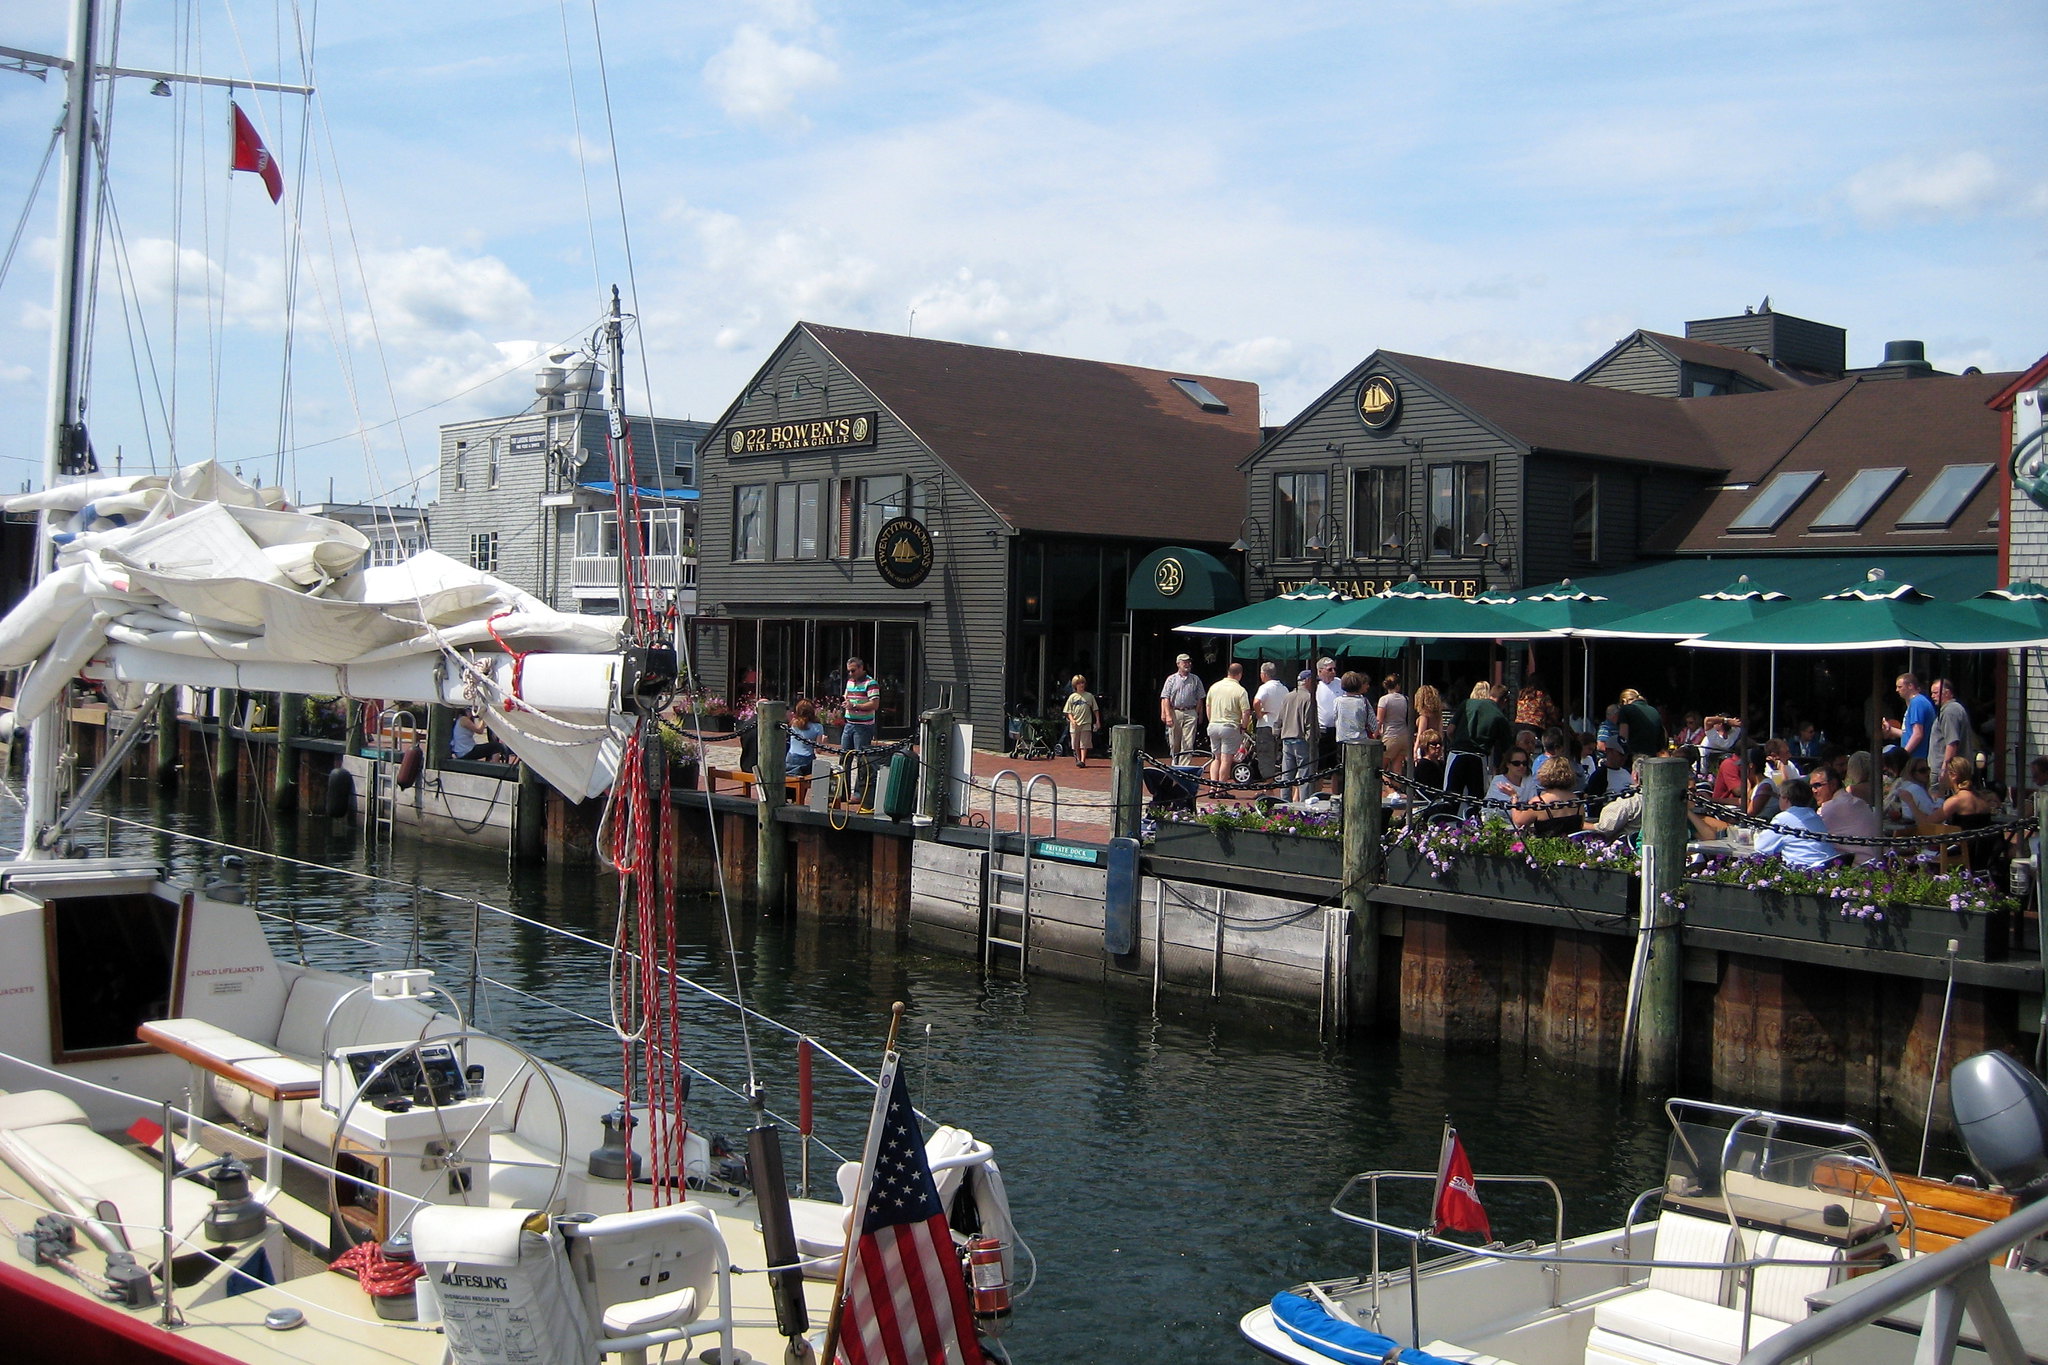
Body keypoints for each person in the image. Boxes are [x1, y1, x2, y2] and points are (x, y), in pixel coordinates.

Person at [1755, 778, 1841, 870]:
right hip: (1827, 866)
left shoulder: (1783, 818)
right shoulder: (1814, 816)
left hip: (1805, 871)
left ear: (1785, 798)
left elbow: (1761, 848)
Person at [1448, 680, 1512, 801]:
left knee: (1451, 799)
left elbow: (1450, 731)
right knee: (1475, 801)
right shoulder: (1500, 717)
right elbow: (1506, 751)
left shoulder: (1467, 703)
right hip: (1478, 758)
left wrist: (1457, 743)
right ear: (1505, 701)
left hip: (1455, 755)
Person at [1811, 764, 1880, 864]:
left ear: (1833, 784)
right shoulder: (1859, 802)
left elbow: (1812, 842)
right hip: (1880, 862)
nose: (1814, 791)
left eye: (1817, 785)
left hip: (1859, 868)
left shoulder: (1827, 809)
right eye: (1811, 787)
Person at [1274, 670, 1318, 802]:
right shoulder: (1309, 698)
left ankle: (1284, 804)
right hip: (1301, 739)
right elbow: (1310, 722)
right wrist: (1311, 740)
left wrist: (1277, 734)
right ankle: (1305, 805)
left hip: (1286, 738)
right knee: (1305, 775)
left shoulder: (1288, 696)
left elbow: (1278, 719)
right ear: (1308, 681)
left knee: (1287, 776)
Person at [1205, 661, 1252, 786]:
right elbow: (1246, 712)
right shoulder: (1240, 690)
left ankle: (1212, 787)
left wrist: (1211, 720)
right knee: (1226, 759)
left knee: (1216, 758)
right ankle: (1221, 788)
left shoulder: (1214, 687)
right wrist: (1244, 727)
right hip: (1229, 726)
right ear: (1240, 674)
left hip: (1213, 725)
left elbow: (1208, 706)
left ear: (1228, 672)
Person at [1511, 757, 1583, 836]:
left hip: (1547, 847)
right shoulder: (1577, 800)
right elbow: (1581, 824)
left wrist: (1514, 797)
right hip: (1574, 846)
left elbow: (1519, 822)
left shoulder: (1539, 802)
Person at [1929, 679, 1972, 793]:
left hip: (1944, 771)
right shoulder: (1955, 709)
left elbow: (1952, 742)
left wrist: (1945, 768)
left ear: (1947, 692)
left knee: (1938, 806)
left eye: (1935, 693)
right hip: (1951, 770)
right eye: (1932, 693)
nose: (1932, 696)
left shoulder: (1949, 712)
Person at [1159, 654, 1204, 761]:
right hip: (1175, 712)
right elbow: (1165, 698)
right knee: (1174, 741)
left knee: (1188, 742)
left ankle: (1184, 767)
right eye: (1184, 662)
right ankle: (1175, 764)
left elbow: (1200, 698)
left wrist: (1197, 713)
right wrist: (1167, 714)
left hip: (1190, 711)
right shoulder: (1171, 679)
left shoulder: (1195, 679)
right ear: (1178, 664)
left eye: (1189, 662)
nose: (1187, 664)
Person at [1882, 673, 1935, 762]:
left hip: (1917, 758)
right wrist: (1890, 729)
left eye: (1900, 687)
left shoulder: (1917, 702)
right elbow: (1908, 733)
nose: (1897, 690)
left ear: (1910, 686)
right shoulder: (1914, 703)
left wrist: (1904, 755)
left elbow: (1918, 734)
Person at [1251, 661, 1289, 781]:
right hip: (1279, 726)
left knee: (1265, 756)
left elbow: (1256, 702)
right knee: (1276, 756)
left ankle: (1268, 787)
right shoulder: (1284, 689)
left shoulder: (1265, 687)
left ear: (1264, 674)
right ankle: (1271, 784)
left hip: (1266, 725)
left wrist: (1259, 714)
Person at [1884, 755, 1942, 828]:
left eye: (1928, 769)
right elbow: (1933, 814)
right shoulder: (1916, 789)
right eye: (1922, 770)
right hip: (1919, 830)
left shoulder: (1905, 785)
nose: (1927, 773)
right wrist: (1941, 793)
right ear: (1912, 773)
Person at [1312, 658, 1343, 790]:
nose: (1333, 672)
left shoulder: (1340, 683)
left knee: (1337, 767)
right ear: (1320, 671)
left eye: (1334, 669)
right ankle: (1317, 796)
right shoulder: (1315, 686)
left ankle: (1336, 796)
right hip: (1322, 731)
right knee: (1319, 767)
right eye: (1330, 669)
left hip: (1338, 730)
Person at [840, 657, 881, 752]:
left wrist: (854, 706)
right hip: (849, 723)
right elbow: (847, 696)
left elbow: (875, 705)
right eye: (849, 671)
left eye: (853, 671)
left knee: (862, 757)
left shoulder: (870, 683)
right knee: (844, 755)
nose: (850, 674)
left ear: (861, 668)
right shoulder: (850, 682)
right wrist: (845, 701)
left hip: (863, 726)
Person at [1377, 675, 1413, 776]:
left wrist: (1375, 734)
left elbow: (1379, 720)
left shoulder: (1384, 700)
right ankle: (1395, 790)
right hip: (1404, 735)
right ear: (1398, 686)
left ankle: (1387, 791)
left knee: (1381, 768)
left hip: (1390, 735)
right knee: (1397, 769)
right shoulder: (1406, 699)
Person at [1063, 674, 1100, 768]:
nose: (1081, 685)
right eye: (1079, 683)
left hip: (1086, 722)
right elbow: (1068, 711)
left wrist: (1097, 721)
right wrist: (1072, 720)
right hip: (1075, 723)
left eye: (1082, 682)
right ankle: (1078, 759)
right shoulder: (1072, 697)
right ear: (1075, 685)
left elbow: (1095, 709)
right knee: (1075, 743)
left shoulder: (1089, 696)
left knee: (1084, 743)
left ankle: (1083, 760)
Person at [1618, 688, 1664, 758]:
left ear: (1624, 701)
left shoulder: (1625, 709)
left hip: (1634, 756)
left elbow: (1623, 738)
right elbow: (1662, 738)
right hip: (1652, 756)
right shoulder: (1654, 710)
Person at [785, 699, 825, 777]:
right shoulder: (818, 727)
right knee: (805, 782)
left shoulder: (794, 723)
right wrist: (824, 742)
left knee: (789, 782)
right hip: (807, 759)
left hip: (792, 757)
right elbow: (818, 750)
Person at [1334, 671, 1375, 744]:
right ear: (1359, 685)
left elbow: (1335, 718)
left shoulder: (1337, 701)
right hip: (1360, 740)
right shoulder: (1364, 702)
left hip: (1342, 740)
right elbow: (1373, 724)